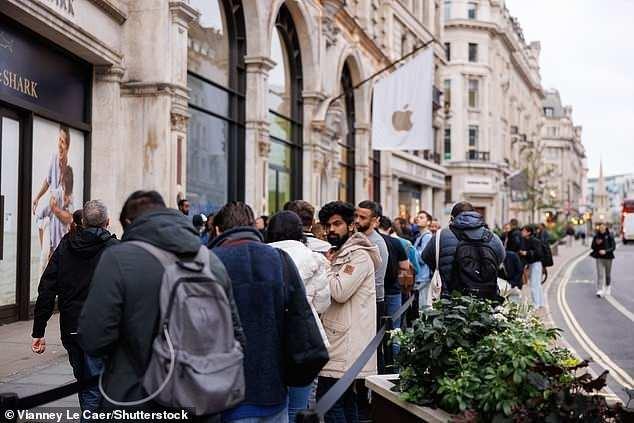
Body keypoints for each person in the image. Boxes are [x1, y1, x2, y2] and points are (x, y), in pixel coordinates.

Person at [79, 191, 245, 416]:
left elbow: (92, 339)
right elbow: (236, 334)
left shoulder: (118, 259)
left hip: (135, 399)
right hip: (201, 397)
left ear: (129, 223)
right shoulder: (210, 260)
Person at [210, 202, 321, 423]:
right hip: (273, 389)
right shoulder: (279, 259)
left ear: (218, 230)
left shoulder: (209, 261)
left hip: (226, 393)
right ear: (253, 225)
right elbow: (300, 320)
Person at [32, 200, 118, 414]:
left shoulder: (65, 246)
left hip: (72, 327)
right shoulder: (115, 249)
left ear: (83, 222)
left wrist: (39, 331)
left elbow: (47, 289)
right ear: (107, 222)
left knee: (85, 383)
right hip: (103, 327)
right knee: (97, 387)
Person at [317, 201, 379, 423]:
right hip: (341, 339)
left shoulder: (358, 256)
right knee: (344, 401)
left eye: (337, 224)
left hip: (346, 343)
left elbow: (340, 291)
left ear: (351, 225)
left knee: (329, 402)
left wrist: (324, 265)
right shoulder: (343, 252)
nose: (331, 230)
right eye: (327, 225)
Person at [266, 211, 331, 422]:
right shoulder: (315, 258)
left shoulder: (263, 254)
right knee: (299, 407)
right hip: (303, 336)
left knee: (276, 406)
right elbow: (323, 303)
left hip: (270, 335)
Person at [422, 202, 505, 297]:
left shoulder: (441, 235)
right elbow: (500, 259)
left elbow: (425, 257)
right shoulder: (492, 237)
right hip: (485, 299)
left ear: (452, 218)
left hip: (450, 297)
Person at [355, 200, 387, 373]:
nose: (357, 220)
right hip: (363, 301)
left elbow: (377, 279)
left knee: (372, 349)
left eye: (362, 217)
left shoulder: (377, 243)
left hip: (373, 302)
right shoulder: (359, 238)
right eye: (356, 215)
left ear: (375, 220)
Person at [377, 217, 409, 359]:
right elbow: (405, 267)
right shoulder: (396, 242)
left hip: (375, 293)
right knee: (394, 330)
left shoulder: (370, 242)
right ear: (390, 228)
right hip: (393, 291)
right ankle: (395, 366)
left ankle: (380, 363)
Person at [519, 225, 544, 309]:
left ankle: (535, 304)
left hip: (536, 264)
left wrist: (527, 253)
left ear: (528, 232)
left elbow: (538, 253)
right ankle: (540, 303)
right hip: (533, 264)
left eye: (524, 231)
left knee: (534, 285)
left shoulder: (534, 241)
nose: (522, 232)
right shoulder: (527, 240)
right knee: (537, 284)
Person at [413, 211, 433, 309]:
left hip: (423, 277)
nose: (418, 219)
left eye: (421, 217)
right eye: (417, 217)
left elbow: (423, 258)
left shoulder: (427, 237)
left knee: (423, 306)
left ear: (428, 222)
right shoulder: (419, 237)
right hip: (420, 276)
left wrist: (411, 250)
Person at [591, 223, 616, 297]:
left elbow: (613, 247)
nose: (601, 229)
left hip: (608, 258)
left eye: (603, 228)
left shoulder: (610, 236)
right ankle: (599, 290)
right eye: (600, 228)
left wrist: (605, 251)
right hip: (599, 258)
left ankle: (608, 287)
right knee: (600, 274)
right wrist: (596, 243)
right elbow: (592, 246)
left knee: (607, 275)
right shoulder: (596, 236)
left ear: (605, 228)